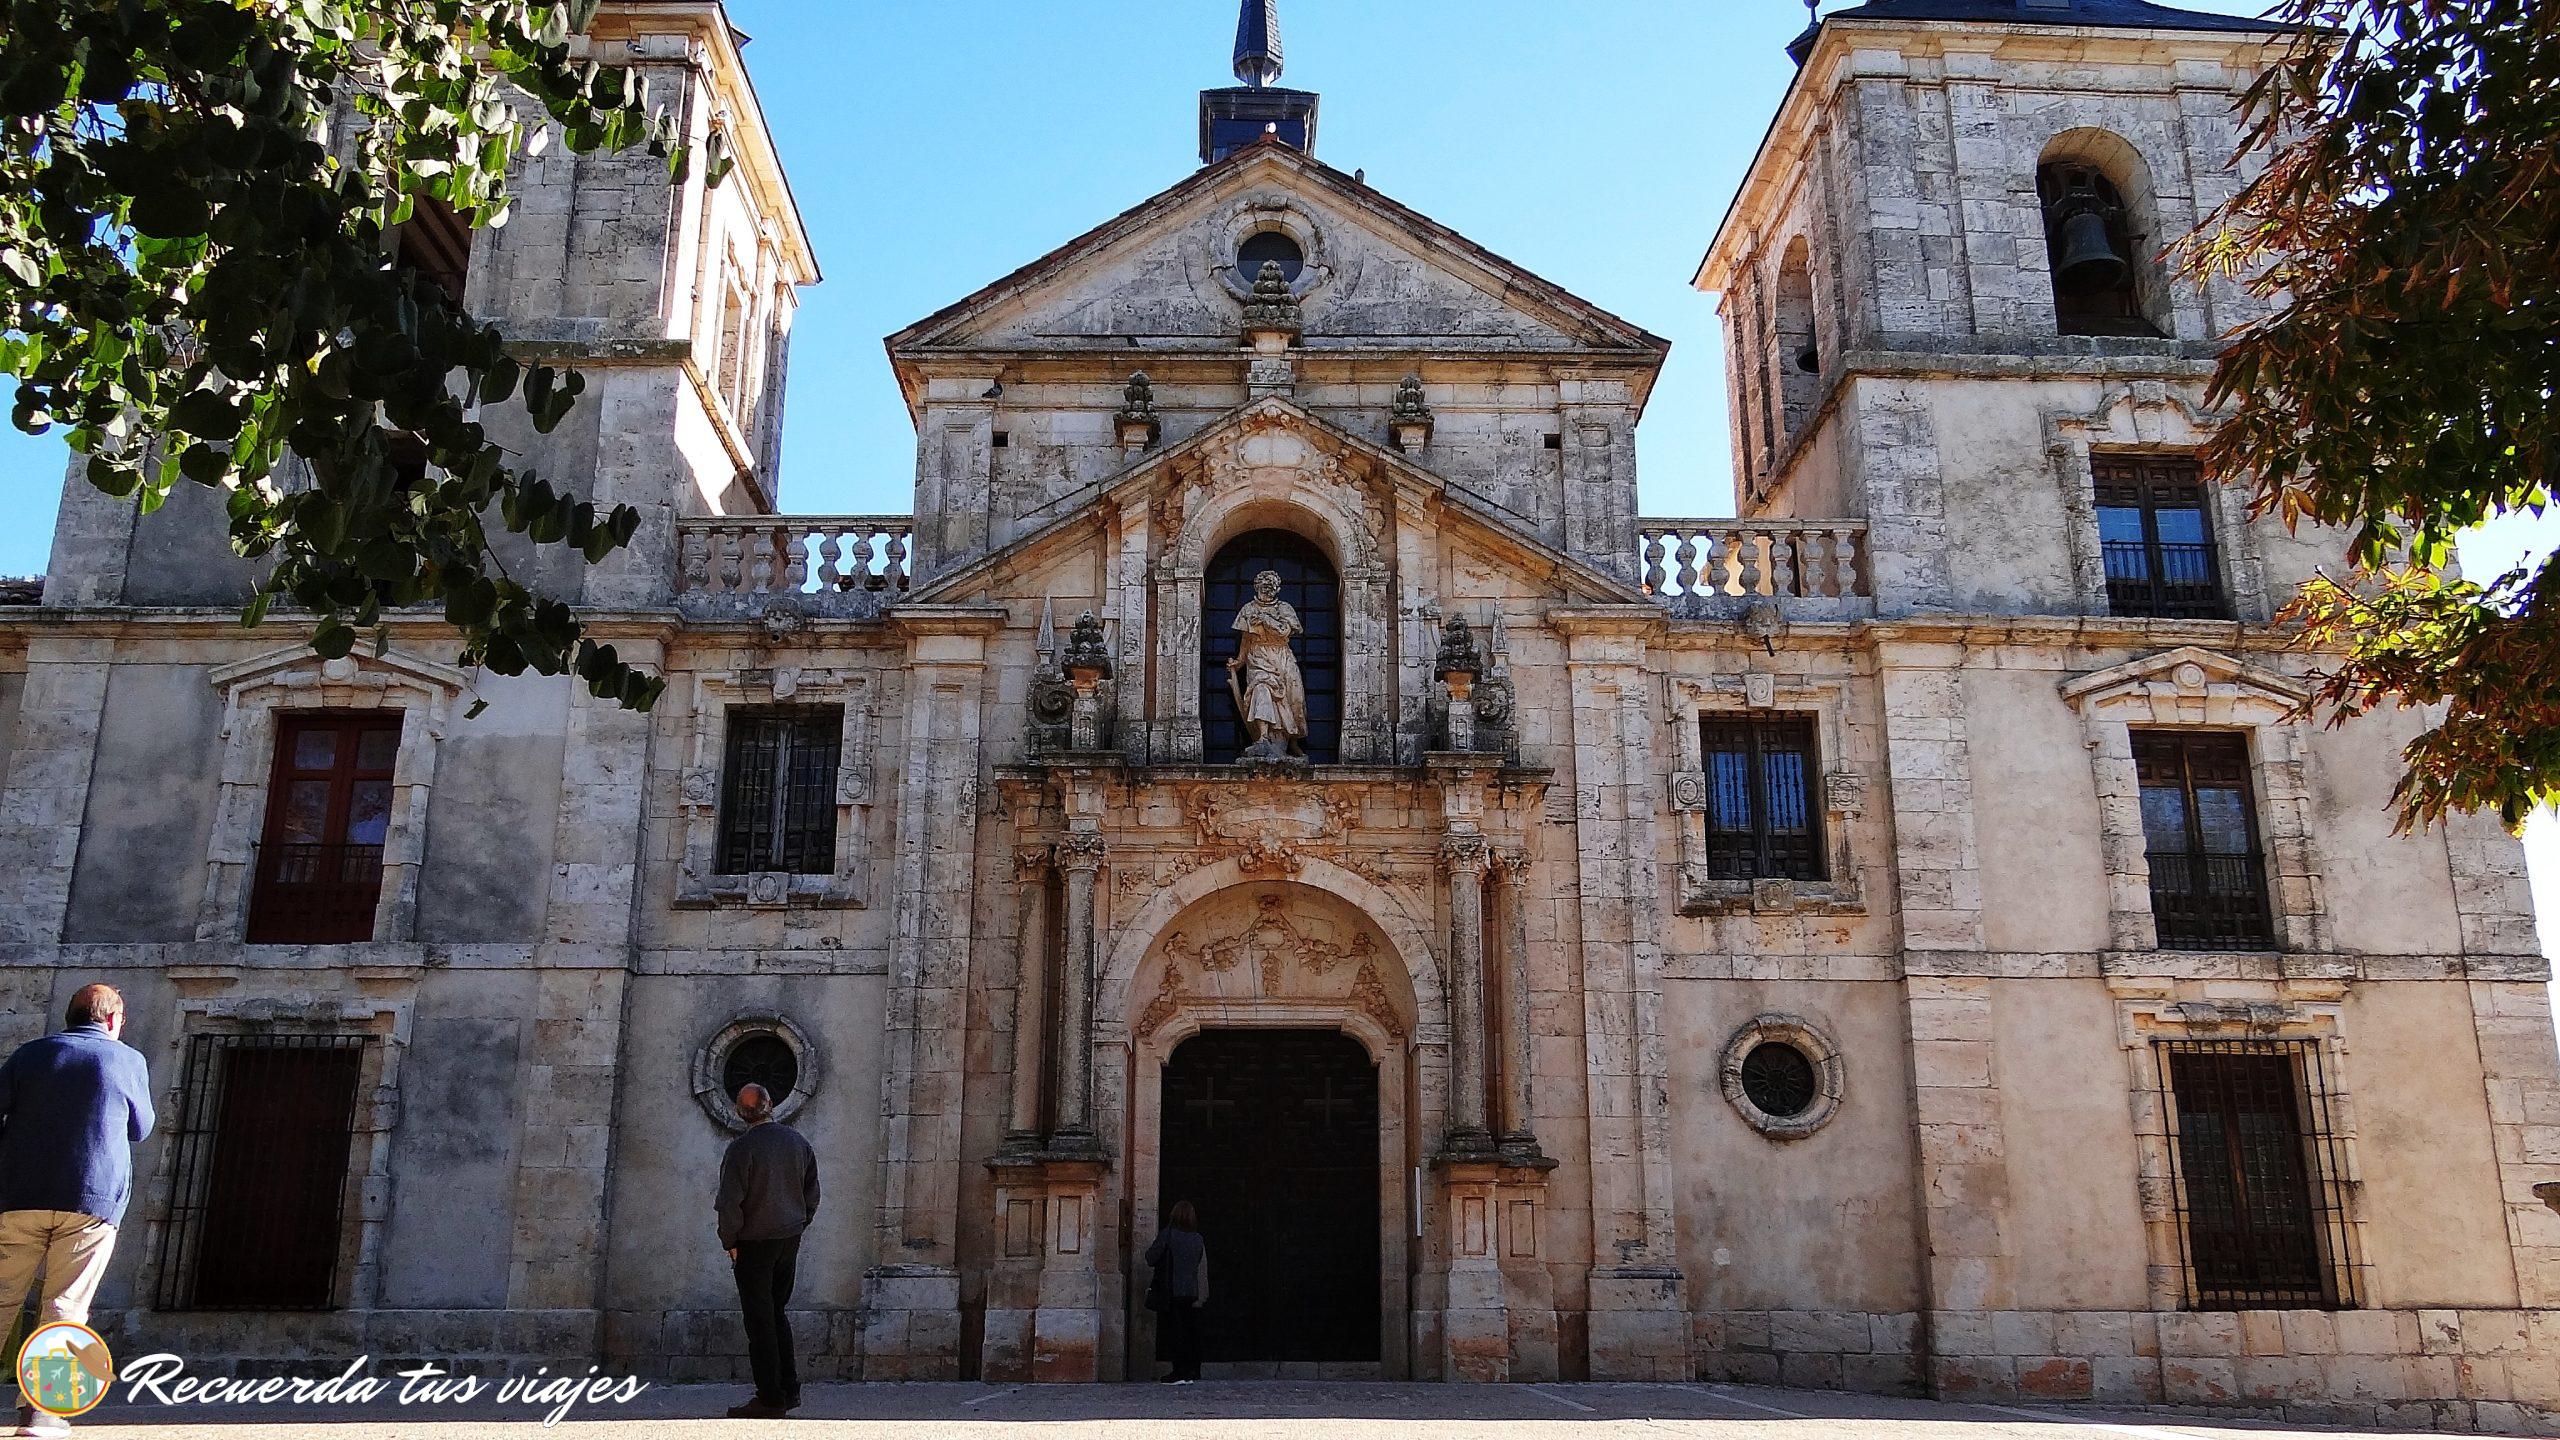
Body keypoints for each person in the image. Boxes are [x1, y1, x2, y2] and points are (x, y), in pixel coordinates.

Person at [0, 985, 155, 1439]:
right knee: (66, 1306)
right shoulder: (127, 1059)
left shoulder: (30, 1055)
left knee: (2, 1297)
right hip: (92, 1201)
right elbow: (141, 1128)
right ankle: (41, 1415)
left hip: (17, 1197)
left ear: (71, 1017)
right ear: (111, 1020)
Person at [714, 1082, 819, 1420]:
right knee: (776, 1313)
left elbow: (730, 1204)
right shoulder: (798, 1143)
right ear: (770, 1104)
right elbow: (812, 1193)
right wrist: (798, 1225)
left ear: (739, 1112)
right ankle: (788, 1389)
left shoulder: (741, 1150)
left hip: (754, 1245)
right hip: (788, 1238)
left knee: (760, 1322)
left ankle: (770, 1397)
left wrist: (729, 1242)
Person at [1225, 569, 1308, 761]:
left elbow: (1285, 631)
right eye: (1264, 585)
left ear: (1277, 588)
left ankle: (1291, 739)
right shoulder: (1248, 609)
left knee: (1294, 699)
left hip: (1282, 656)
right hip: (1258, 656)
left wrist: (1265, 619)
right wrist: (1240, 660)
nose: (1267, 589)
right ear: (1257, 587)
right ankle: (1262, 736)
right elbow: (1246, 638)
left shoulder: (1284, 608)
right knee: (1261, 690)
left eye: (1271, 586)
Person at [1144, 1201, 1208, 1384]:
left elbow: (1150, 1257)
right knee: (1190, 1332)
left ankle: (1178, 1371)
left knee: (1174, 1331)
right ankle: (1191, 1371)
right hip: (1191, 1290)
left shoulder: (1168, 1235)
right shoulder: (1198, 1239)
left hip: (1170, 1290)